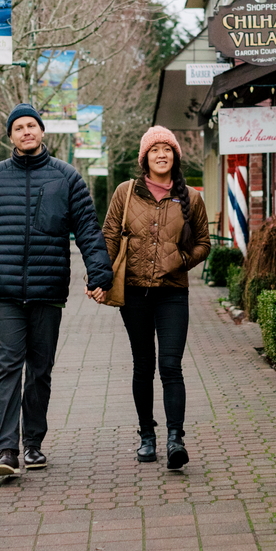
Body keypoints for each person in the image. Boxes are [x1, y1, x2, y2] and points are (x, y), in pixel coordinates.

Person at [0, 103, 112, 476]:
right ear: (11, 136)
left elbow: (88, 230)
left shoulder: (67, 178)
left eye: (31, 125)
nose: (26, 132)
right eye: (18, 127)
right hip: (6, 292)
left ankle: (32, 444)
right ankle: (5, 451)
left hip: (48, 291)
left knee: (41, 370)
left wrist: (100, 275)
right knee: (8, 368)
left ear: (42, 131)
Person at [93, 126, 211, 469]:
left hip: (173, 293)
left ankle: (176, 438)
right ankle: (147, 435)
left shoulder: (191, 197)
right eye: (155, 149)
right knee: (143, 365)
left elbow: (203, 242)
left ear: (175, 156)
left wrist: (180, 260)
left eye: (168, 149)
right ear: (145, 157)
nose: (162, 154)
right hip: (134, 293)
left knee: (170, 366)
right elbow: (109, 235)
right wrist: (99, 277)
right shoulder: (125, 192)